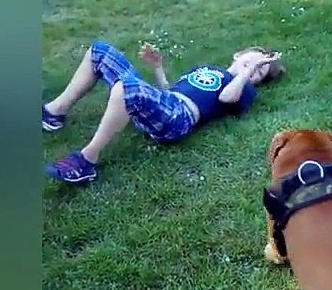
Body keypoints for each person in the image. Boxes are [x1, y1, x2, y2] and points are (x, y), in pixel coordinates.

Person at [41, 39, 285, 184]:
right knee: (100, 51)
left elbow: (226, 97)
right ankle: (53, 112)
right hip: (165, 103)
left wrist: (246, 74)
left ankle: (86, 161)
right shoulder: (207, 69)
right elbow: (169, 91)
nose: (254, 68)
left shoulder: (244, 89)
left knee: (128, 87)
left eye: (259, 71)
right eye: (253, 60)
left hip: (179, 120)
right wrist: (158, 68)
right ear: (238, 55)